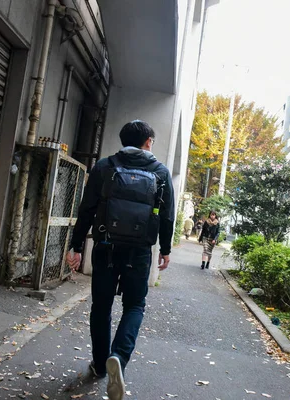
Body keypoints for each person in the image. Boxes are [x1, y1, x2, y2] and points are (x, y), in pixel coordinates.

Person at [66, 120, 174, 400]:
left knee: (101, 306)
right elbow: (167, 215)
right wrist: (165, 249)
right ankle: (119, 357)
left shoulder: (104, 166)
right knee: (135, 305)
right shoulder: (160, 172)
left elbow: (87, 208)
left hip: (105, 246)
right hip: (138, 251)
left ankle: (101, 365)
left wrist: (76, 246)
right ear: (148, 141)